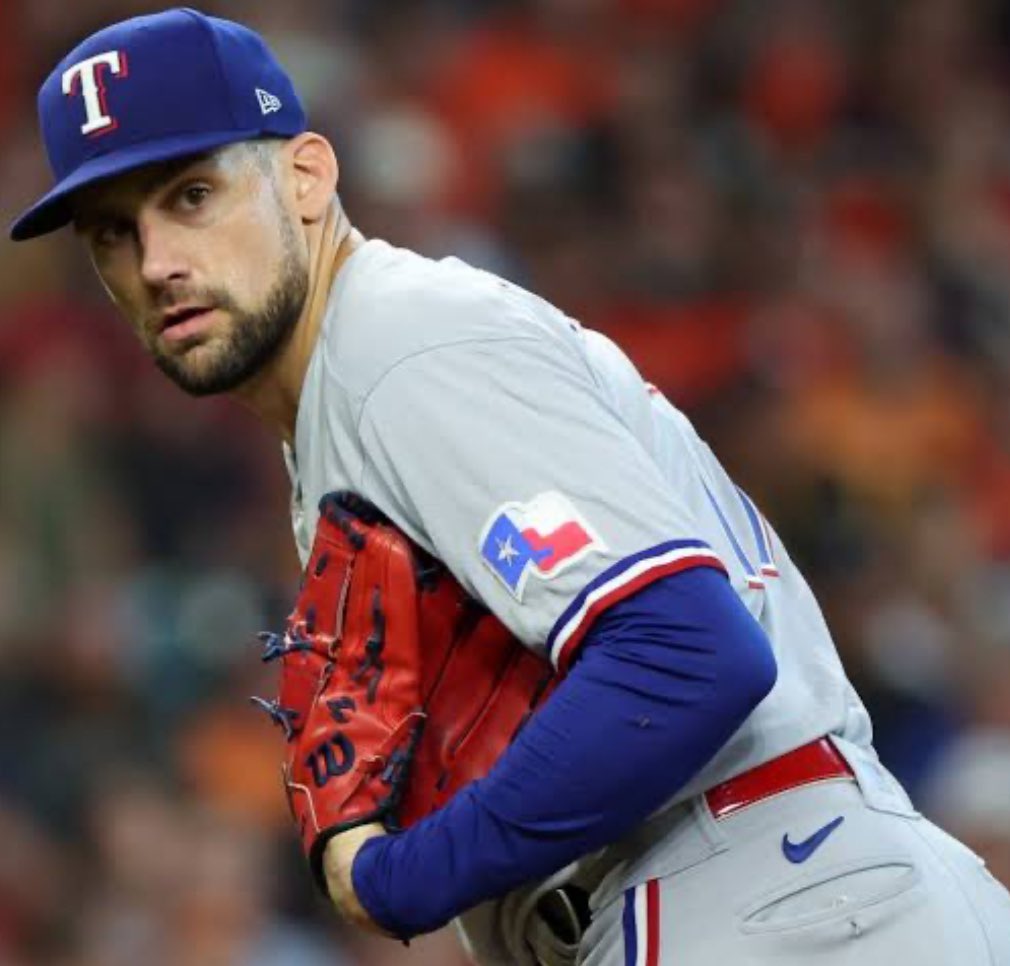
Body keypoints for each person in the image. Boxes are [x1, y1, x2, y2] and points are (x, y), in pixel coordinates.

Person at [12, 9, 1010, 965]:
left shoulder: (398, 347)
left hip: (762, 891)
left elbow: (685, 652)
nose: (156, 262)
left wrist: (403, 876)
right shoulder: (347, 401)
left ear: (306, 175)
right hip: (771, 888)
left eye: (191, 196)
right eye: (111, 231)